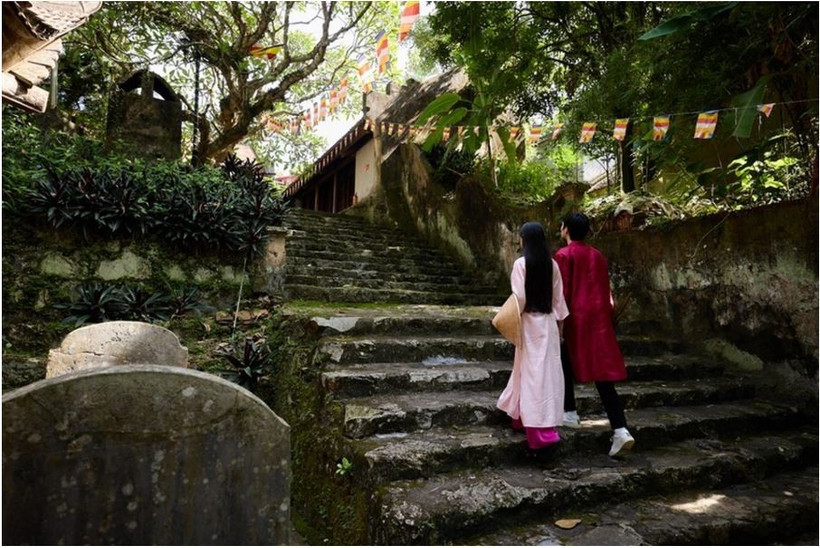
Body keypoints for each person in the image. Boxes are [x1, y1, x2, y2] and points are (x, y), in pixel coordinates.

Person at [554, 212, 635, 457]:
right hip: (599, 319)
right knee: (603, 376)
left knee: (563, 358)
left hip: (575, 318)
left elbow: (562, 293)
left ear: (565, 229)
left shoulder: (563, 255)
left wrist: (559, 325)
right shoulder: (598, 256)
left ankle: (570, 411)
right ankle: (621, 429)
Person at [497, 222, 569, 451]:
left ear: (524, 240)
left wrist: (505, 320)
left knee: (529, 374)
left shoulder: (521, 264)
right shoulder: (553, 266)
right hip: (547, 325)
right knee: (545, 376)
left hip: (528, 324)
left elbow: (519, 298)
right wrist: (560, 331)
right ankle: (526, 418)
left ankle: (536, 428)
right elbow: (559, 302)